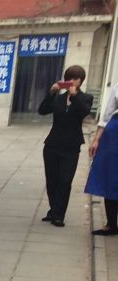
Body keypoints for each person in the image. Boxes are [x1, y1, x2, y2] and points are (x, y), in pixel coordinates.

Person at [37, 66, 92, 228]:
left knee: (65, 181)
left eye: (76, 79)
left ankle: (59, 215)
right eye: (69, 78)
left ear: (81, 81)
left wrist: (74, 95)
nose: (72, 82)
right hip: (52, 145)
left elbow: (83, 112)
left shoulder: (85, 98)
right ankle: (53, 209)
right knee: (52, 180)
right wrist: (51, 93)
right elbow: (42, 110)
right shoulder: (59, 99)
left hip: (71, 147)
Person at [87, 83, 118, 236]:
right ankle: (111, 224)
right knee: (111, 178)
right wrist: (96, 140)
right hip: (114, 136)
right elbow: (106, 116)